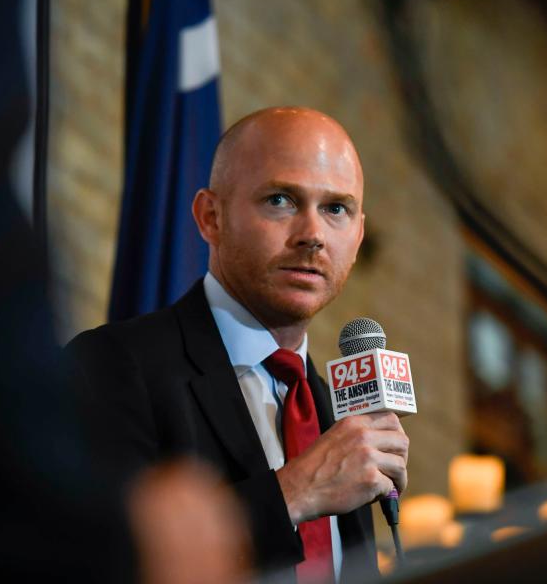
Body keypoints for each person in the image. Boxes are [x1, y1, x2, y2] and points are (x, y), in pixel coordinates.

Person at [67, 107, 409, 583]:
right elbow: (90, 558)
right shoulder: (113, 365)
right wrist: (293, 493)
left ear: (358, 236)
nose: (312, 235)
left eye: (336, 209)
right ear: (211, 217)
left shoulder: (338, 416)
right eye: (280, 200)